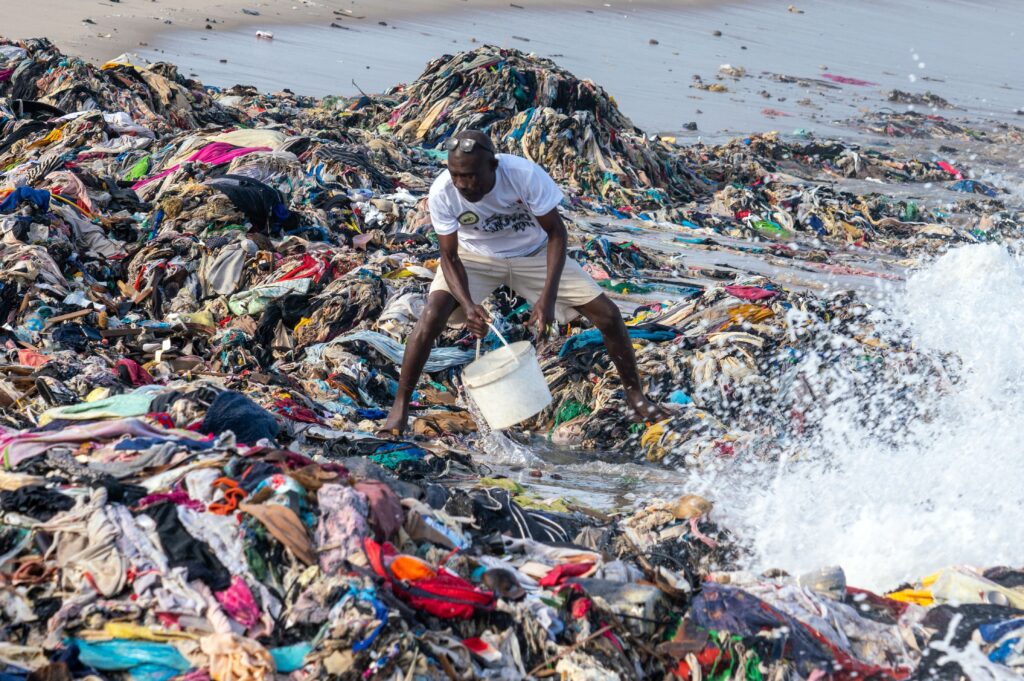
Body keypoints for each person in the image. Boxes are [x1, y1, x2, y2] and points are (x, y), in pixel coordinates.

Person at [379, 129, 668, 435]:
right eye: (456, 175)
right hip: (476, 257)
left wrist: (547, 297)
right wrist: (469, 305)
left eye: (471, 176)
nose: (463, 184)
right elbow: (449, 257)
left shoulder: (523, 175)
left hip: (535, 252)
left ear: (493, 165)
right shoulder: (443, 192)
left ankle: (636, 397)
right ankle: (399, 410)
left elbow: (557, 233)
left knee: (608, 315)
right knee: (430, 317)